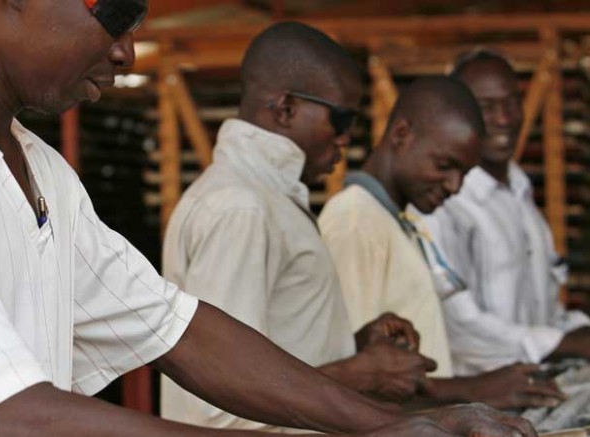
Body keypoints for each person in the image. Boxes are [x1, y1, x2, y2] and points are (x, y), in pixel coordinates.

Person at [0, 1, 534, 436]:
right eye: (118, 11)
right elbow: (8, 417)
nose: (127, 49)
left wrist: (395, 423)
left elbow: (173, 326)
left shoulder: (42, 173)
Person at [160, 22, 438, 432]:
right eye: (340, 120)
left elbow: (267, 357)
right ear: (286, 108)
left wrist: (352, 344)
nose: (345, 140)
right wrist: (362, 373)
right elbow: (218, 406)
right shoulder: (240, 208)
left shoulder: (266, 200)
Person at [319, 76, 566, 410]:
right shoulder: (354, 222)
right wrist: (471, 390)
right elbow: (356, 379)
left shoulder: (401, 222)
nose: (454, 186)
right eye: (445, 165)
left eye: (464, 173)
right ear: (402, 135)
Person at [422, 50, 590, 376]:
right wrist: (561, 344)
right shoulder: (443, 204)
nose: (504, 119)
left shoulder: (520, 194)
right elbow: (460, 329)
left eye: (512, 102)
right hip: (481, 403)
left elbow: (545, 315)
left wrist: (575, 330)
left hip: (537, 384)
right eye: (487, 107)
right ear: (457, 114)